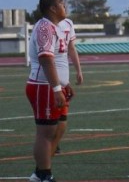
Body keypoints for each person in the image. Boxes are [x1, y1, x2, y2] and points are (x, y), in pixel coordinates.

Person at [26, 0, 68, 182]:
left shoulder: (55, 27)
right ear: (52, 8)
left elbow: (58, 59)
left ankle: (39, 172)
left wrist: (64, 84)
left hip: (53, 85)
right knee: (46, 133)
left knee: (59, 129)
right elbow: (46, 59)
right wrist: (57, 87)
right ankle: (43, 175)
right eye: (60, 2)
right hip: (43, 86)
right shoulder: (44, 27)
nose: (64, 4)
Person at [53, 17, 84, 155]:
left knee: (62, 116)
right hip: (48, 78)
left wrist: (78, 71)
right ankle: (50, 146)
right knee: (50, 117)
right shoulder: (44, 25)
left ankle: (53, 144)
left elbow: (71, 48)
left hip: (62, 78)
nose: (64, 7)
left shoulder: (68, 23)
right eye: (60, 4)